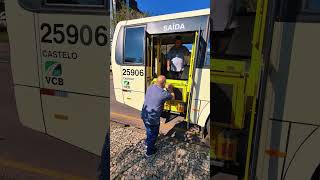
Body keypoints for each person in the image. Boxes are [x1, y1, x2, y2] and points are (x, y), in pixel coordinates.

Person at [141, 75, 175, 157]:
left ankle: (147, 142)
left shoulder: (150, 87)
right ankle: (149, 152)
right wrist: (170, 89)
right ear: (163, 83)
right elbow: (173, 97)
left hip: (144, 114)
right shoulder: (163, 94)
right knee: (153, 134)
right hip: (153, 118)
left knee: (148, 130)